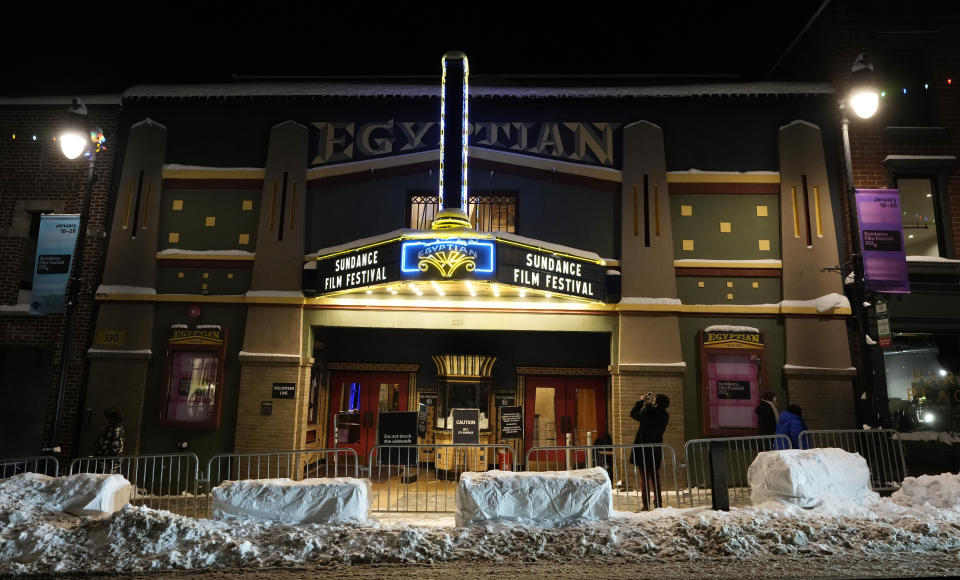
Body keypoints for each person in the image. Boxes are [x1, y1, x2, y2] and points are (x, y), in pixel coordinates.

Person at [629, 393, 670, 509]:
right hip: (655, 449)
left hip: (643, 449)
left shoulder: (648, 412)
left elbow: (633, 414)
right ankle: (658, 503)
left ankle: (646, 505)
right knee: (655, 478)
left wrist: (642, 402)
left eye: (654, 401)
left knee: (644, 479)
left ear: (656, 404)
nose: (652, 401)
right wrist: (649, 406)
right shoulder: (665, 415)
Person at [94, 407, 125, 472]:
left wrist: (111, 465)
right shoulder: (109, 428)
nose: (104, 419)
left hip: (109, 463)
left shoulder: (116, 429)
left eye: (107, 417)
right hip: (103, 460)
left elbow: (116, 448)